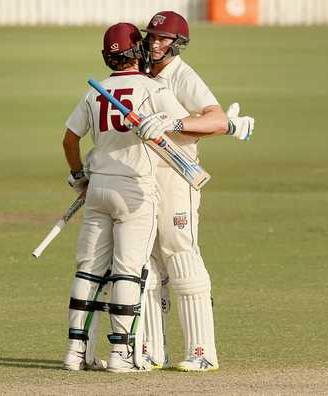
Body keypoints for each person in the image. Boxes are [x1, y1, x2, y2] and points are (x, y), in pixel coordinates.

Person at [61, 22, 190, 373]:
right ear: (138, 52)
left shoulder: (94, 92)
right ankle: (121, 354)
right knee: (128, 272)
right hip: (135, 190)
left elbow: (70, 141)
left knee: (88, 271)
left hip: (98, 189)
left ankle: (76, 353)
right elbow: (183, 123)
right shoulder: (152, 87)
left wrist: (79, 179)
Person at [135, 11, 255, 372]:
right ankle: (153, 351)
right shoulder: (142, 72)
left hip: (177, 172)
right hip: (142, 176)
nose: (155, 43)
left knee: (180, 253)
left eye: (163, 39)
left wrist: (174, 122)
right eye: (152, 37)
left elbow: (215, 119)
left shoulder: (182, 75)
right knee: (147, 259)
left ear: (178, 43)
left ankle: (202, 352)